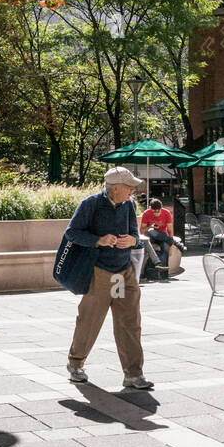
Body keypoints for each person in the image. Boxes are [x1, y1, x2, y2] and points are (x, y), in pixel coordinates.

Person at [64, 167, 153, 390]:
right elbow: (72, 233)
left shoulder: (128, 206)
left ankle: (133, 374)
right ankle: (75, 364)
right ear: (115, 188)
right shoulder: (90, 204)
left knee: (130, 323)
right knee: (90, 320)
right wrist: (98, 240)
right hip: (100, 272)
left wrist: (132, 241)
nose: (133, 190)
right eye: (129, 187)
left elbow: (136, 236)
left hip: (124, 271)